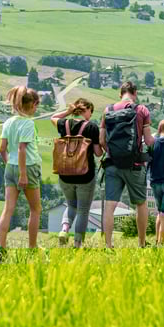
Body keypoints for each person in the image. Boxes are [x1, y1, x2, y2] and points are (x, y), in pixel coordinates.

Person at [101, 81, 154, 248]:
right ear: (135, 93)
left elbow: (102, 140)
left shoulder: (108, 110)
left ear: (120, 94)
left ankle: (108, 245)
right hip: (135, 164)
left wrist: (113, 153)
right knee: (141, 203)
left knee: (110, 205)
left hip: (112, 164)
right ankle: (141, 243)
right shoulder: (142, 110)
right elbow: (148, 140)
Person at [50, 98, 106, 247]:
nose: (90, 115)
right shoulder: (91, 127)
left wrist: (68, 111)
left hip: (65, 174)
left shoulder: (64, 124)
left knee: (71, 205)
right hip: (85, 176)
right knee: (83, 210)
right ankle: (77, 243)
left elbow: (53, 117)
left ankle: (64, 230)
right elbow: (98, 153)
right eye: (90, 112)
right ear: (86, 110)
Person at [0, 86, 42, 261]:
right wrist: (23, 174)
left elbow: (2, 149)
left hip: (10, 167)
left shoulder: (8, 122)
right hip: (28, 167)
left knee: (8, 209)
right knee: (35, 209)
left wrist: (11, 165)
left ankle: (1, 248)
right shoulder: (28, 123)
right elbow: (22, 149)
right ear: (32, 104)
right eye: (37, 105)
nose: (36, 108)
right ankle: (32, 248)